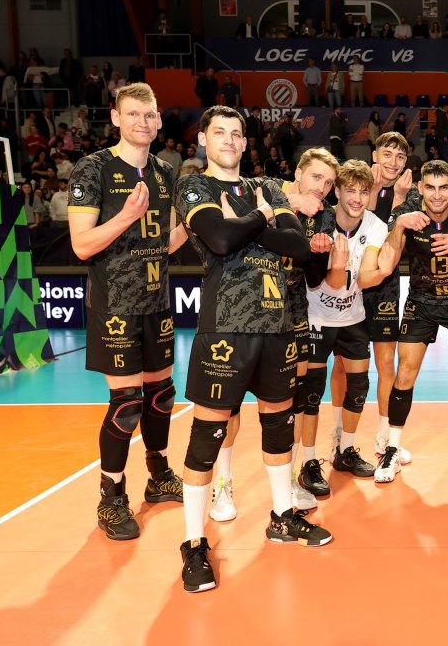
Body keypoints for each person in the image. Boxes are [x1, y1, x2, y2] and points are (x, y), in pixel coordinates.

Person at [174, 105, 330, 593]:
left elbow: (299, 248)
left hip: (278, 326)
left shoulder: (266, 185)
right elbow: (220, 239)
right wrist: (263, 217)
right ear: (204, 140)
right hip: (226, 329)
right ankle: (194, 543)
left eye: (236, 133)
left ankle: (282, 516)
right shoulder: (195, 187)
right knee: (207, 435)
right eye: (218, 132)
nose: (228, 139)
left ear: (245, 142)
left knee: (278, 423)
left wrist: (248, 221)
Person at [67, 83, 187, 541]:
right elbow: (81, 246)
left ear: (159, 120)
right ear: (116, 118)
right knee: (126, 405)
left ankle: (159, 475)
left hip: (158, 302)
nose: (143, 121)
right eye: (133, 113)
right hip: (114, 306)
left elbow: (166, 243)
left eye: (149, 114)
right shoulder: (93, 168)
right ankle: (111, 498)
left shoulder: (165, 172)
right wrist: (124, 217)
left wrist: (197, 226)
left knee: (161, 396)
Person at [208, 148, 337, 519]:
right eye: (316, 177)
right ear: (297, 173)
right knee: (229, 405)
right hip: (244, 306)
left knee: (291, 403)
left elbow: (314, 278)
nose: (322, 188)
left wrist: (320, 254)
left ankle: (291, 480)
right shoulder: (260, 190)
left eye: (329, 183)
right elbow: (231, 236)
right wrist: (288, 206)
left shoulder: (325, 216)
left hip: (291, 310)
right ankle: (222, 484)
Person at [376, 160, 448, 482]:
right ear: (420, 189)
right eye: (430, 188)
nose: (437, 195)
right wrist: (399, 226)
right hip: (421, 302)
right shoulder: (408, 211)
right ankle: (392, 449)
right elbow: (387, 261)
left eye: (443, 188)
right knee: (405, 373)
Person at [301, 160, 399, 486]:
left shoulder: (375, 225)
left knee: (358, 387)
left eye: (364, 192)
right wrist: (337, 267)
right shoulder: (320, 221)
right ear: (338, 192)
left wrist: (383, 270)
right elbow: (321, 281)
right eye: (350, 190)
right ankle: (309, 461)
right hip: (316, 316)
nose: (357, 198)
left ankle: (345, 450)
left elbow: (363, 276)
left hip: (352, 316)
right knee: (312, 392)